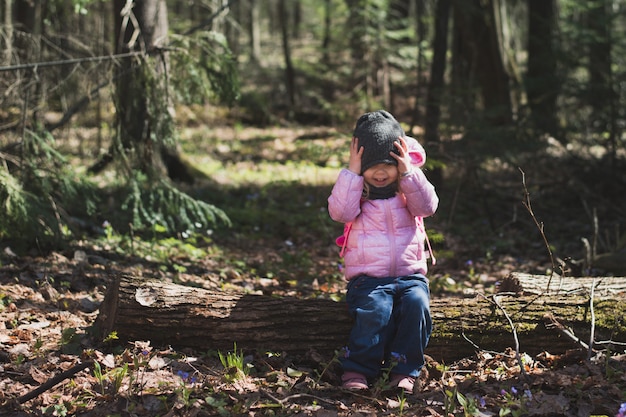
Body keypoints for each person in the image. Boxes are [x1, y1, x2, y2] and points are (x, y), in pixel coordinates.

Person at [328, 110, 439, 393]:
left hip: (410, 276)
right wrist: (352, 173)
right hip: (369, 280)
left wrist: (409, 173)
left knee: (417, 306)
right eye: (371, 165)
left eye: (387, 164)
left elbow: (428, 207)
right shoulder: (357, 193)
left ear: (399, 161)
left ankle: (404, 371)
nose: (380, 172)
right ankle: (357, 369)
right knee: (376, 310)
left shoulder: (407, 191)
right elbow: (340, 212)